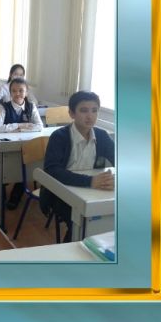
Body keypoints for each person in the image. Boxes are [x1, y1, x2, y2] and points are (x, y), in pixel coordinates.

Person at [40, 91, 115, 242]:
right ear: (72, 113)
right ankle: (72, 249)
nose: (90, 116)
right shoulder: (59, 137)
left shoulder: (102, 136)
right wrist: (90, 181)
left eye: (94, 110)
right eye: (84, 110)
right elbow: (52, 170)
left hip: (91, 192)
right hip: (59, 193)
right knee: (84, 222)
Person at [0, 77, 43, 209]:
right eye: (14, 91)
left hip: (25, 145)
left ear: (26, 92)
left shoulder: (31, 106)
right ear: (10, 93)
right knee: (8, 171)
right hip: (5, 146)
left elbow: (39, 126)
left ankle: (16, 194)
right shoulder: (4, 107)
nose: (18, 94)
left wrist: (19, 128)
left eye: (21, 90)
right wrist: (20, 125)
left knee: (24, 169)